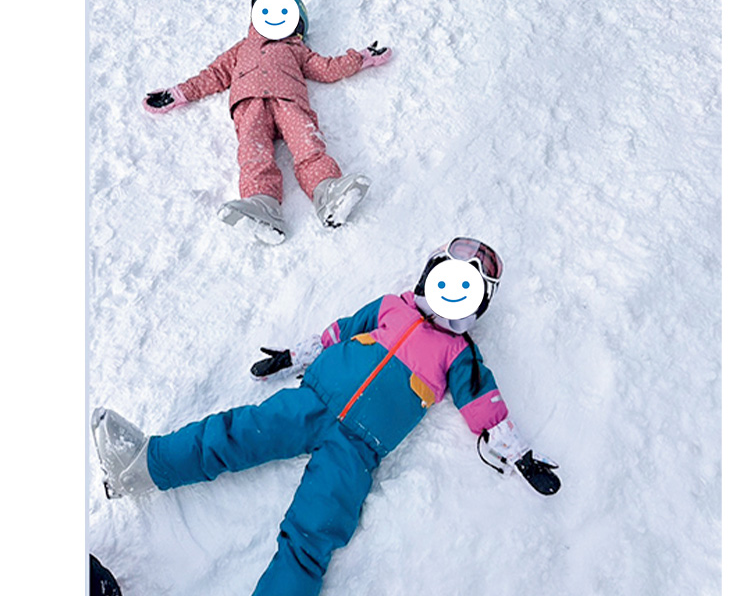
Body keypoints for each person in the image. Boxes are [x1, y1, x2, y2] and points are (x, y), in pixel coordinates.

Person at [92, 238, 560, 596]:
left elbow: (484, 402)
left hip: (358, 447)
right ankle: (144, 465)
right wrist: (292, 357)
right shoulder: (389, 307)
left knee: (315, 529)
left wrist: (520, 455)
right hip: (311, 401)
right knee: (233, 433)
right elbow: (338, 332)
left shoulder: (460, 355)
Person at [142, 0, 392, 243]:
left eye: (283, 11)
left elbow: (326, 69)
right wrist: (178, 93)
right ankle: (263, 205)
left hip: (289, 101)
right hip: (249, 106)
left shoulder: (296, 49)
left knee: (308, 146)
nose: (274, 16)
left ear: (297, 25)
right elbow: (214, 75)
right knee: (254, 153)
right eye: (267, 10)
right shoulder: (241, 49)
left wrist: (360, 58)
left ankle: (329, 193)